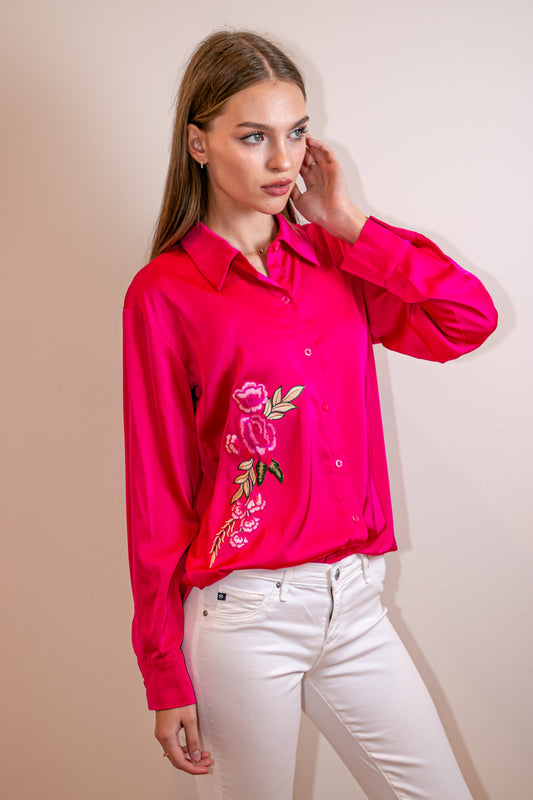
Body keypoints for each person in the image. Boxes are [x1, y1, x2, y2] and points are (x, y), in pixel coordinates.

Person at [122, 30, 497, 800]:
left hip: (356, 607)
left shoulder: (336, 260)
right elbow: (154, 493)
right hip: (244, 621)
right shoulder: (163, 295)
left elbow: (468, 318)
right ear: (198, 143)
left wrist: (352, 224)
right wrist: (164, 672)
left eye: (294, 133)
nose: (281, 159)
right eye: (252, 136)